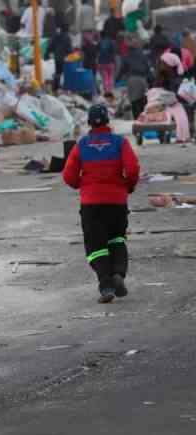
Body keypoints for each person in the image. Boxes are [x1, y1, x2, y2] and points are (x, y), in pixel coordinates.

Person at [62, 105, 140, 304]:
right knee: (117, 240)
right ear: (108, 122)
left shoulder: (82, 145)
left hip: (91, 204)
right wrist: (127, 187)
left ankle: (106, 284)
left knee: (96, 246)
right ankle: (118, 275)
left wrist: (84, 185)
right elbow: (132, 169)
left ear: (89, 123)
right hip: (117, 202)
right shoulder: (120, 143)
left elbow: (69, 176)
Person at [117, 38, 153, 119]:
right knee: (143, 101)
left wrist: (117, 80)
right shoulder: (143, 56)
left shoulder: (126, 56)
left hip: (132, 80)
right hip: (142, 80)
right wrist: (151, 82)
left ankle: (137, 119)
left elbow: (122, 70)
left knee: (134, 102)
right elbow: (148, 69)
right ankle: (144, 119)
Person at [46, 22, 73, 92]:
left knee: (58, 72)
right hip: (64, 58)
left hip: (57, 57)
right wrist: (71, 54)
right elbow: (69, 49)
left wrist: (48, 53)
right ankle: (65, 87)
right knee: (66, 73)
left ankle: (56, 87)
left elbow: (51, 46)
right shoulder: (67, 37)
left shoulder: (56, 36)